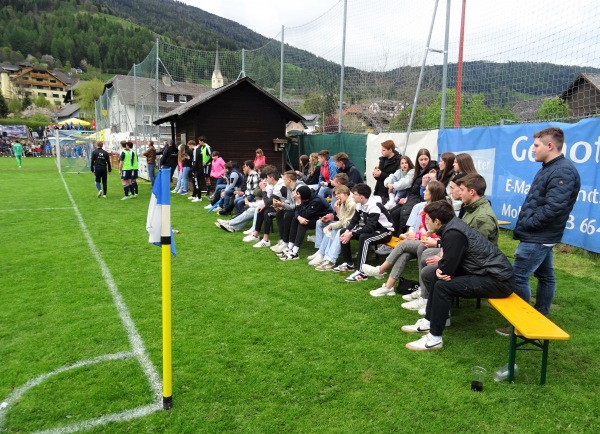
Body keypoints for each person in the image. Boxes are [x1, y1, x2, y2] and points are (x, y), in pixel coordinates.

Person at [401, 200, 514, 351]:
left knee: (442, 286)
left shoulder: (453, 234)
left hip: (498, 280)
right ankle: (429, 321)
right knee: (436, 277)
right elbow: (448, 265)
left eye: (427, 219)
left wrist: (443, 271)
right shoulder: (451, 227)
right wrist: (441, 271)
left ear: (437, 221)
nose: (425, 222)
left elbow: (447, 268)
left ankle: (434, 339)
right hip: (484, 272)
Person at [501, 127, 580, 327]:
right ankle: (540, 316)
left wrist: (529, 223)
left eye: (536, 145)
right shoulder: (550, 167)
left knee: (517, 277)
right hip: (540, 235)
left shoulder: (562, 170)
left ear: (550, 146)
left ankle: (521, 322)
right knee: (545, 276)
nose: (532, 149)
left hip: (538, 236)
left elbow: (554, 208)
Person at [363, 181, 447, 297]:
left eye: (426, 190)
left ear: (434, 193)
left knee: (403, 245)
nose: (423, 192)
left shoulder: (440, 210)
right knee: (405, 254)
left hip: (434, 244)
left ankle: (381, 270)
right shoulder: (427, 207)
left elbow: (438, 234)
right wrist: (414, 234)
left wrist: (416, 236)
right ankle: (389, 286)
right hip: (423, 241)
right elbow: (425, 230)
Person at [336, 183, 394, 282]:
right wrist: (347, 231)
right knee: (343, 231)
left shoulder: (374, 206)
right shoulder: (359, 204)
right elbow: (354, 221)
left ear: (361, 197)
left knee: (364, 237)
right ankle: (348, 264)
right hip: (373, 230)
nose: (352, 196)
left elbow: (369, 228)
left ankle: (362, 272)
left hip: (385, 232)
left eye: (354, 194)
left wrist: (352, 234)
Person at [279, 185, 330, 261]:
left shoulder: (316, 201)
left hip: (323, 219)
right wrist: (299, 217)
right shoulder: (306, 198)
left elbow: (305, 215)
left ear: (303, 198)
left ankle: (295, 252)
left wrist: (299, 202)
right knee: (295, 219)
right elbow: (297, 211)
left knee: (303, 223)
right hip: (312, 216)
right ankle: (290, 247)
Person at [311, 185, 356, 271]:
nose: (336, 196)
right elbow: (343, 222)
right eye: (335, 195)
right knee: (332, 230)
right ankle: (323, 255)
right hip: (349, 226)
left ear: (346, 193)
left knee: (340, 231)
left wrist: (338, 211)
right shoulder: (343, 202)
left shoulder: (352, 204)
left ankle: (330, 260)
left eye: (339, 193)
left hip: (358, 227)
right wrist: (331, 226)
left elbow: (347, 225)